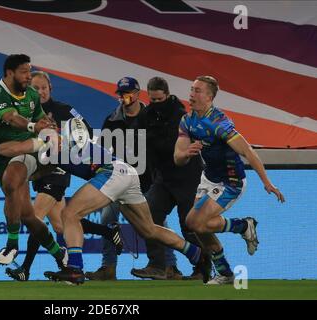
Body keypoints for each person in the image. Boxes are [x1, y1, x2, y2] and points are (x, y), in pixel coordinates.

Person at [0, 118, 213, 285]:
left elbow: (22, 153)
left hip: (112, 173)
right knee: (149, 230)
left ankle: (75, 268)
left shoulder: (51, 145)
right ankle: (196, 254)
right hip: (127, 172)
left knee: (69, 215)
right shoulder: (72, 141)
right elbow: (45, 167)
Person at [5, 71, 123, 281]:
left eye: (44, 87)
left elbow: (84, 130)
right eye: (35, 88)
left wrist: (66, 143)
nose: (40, 91)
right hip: (40, 172)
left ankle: (25, 269)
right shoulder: (27, 114)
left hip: (57, 172)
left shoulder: (65, 110)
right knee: (61, 224)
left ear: (51, 88)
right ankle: (105, 233)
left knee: (35, 217)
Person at [174, 75, 285, 284]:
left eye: (197, 91)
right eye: (191, 89)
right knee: (197, 226)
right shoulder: (187, 121)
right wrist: (186, 152)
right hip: (208, 178)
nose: (191, 94)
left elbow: (248, 152)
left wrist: (267, 182)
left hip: (230, 181)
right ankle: (225, 273)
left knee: (195, 221)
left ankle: (243, 226)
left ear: (209, 97)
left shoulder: (219, 123)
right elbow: (177, 158)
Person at [85, 76, 179, 281]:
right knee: (107, 219)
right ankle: (108, 268)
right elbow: (101, 150)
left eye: (127, 93)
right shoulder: (112, 120)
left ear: (137, 94)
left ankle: (171, 267)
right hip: (119, 182)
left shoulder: (151, 117)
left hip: (147, 181)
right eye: (120, 93)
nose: (123, 97)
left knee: (157, 222)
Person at [0, 54, 66, 269]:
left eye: (29, 71)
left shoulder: (30, 94)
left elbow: (38, 117)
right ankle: (59, 254)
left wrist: (46, 126)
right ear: (9, 73)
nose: (28, 77)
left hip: (27, 152)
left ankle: (11, 245)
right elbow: (11, 118)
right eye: (24, 72)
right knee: (28, 216)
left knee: (12, 179)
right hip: (4, 157)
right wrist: (33, 126)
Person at [130, 77, 204, 281]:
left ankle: (202, 268)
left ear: (167, 95)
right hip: (163, 177)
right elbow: (141, 143)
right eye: (152, 99)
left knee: (189, 223)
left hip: (187, 176)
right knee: (148, 215)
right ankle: (157, 265)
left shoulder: (181, 116)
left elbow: (171, 145)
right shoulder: (146, 115)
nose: (155, 103)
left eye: (159, 99)